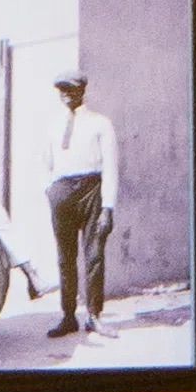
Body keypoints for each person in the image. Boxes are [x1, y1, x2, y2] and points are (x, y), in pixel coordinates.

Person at [41, 67, 121, 336]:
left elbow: (110, 166)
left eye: (70, 88)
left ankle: (94, 316)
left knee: (94, 255)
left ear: (82, 90)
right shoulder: (52, 124)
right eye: (61, 89)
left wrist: (107, 207)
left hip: (91, 190)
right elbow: (46, 163)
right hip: (62, 191)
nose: (65, 94)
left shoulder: (100, 123)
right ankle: (67, 316)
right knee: (65, 258)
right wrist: (50, 190)